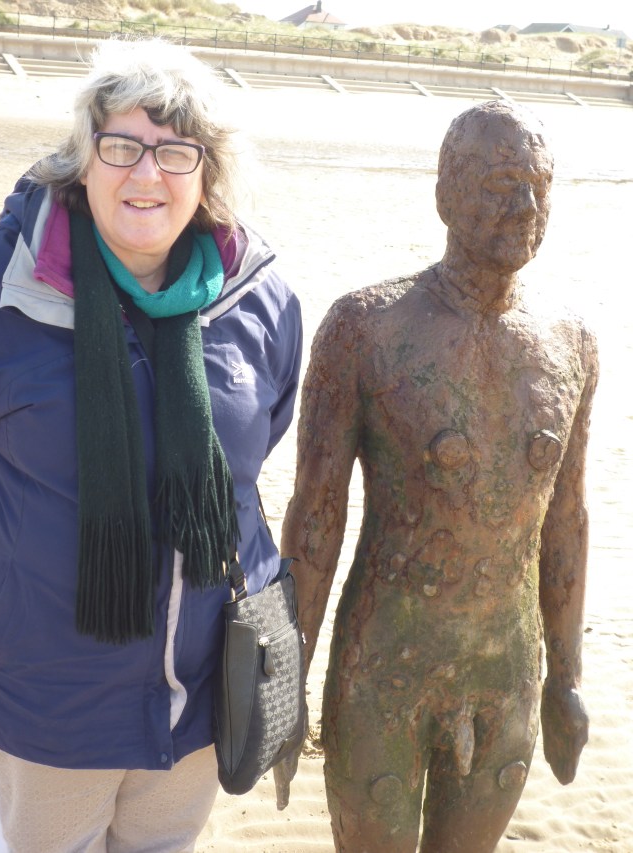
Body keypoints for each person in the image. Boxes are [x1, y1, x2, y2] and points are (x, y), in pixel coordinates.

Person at [0, 36, 302, 852]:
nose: (146, 173)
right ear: (83, 159)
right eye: (121, 146)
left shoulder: (259, 298)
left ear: (206, 173)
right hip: (48, 709)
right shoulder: (7, 282)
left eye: (174, 152)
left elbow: (257, 450)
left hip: (199, 705)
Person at [275, 100, 598, 851]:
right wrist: (287, 680)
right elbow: (316, 517)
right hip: (382, 666)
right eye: (502, 184)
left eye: (541, 188)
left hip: (506, 673)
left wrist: (566, 678)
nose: (527, 207)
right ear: (447, 195)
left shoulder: (571, 342)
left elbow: (567, 518)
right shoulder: (366, 328)